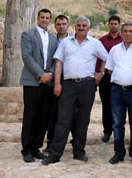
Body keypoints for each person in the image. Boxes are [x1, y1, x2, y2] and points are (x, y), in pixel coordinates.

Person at [43, 16, 107, 164]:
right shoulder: (66, 42)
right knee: (63, 119)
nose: (81, 28)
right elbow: (59, 63)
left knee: (82, 120)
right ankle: (55, 154)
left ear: (88, 28)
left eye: (84, 26)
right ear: (75, 26)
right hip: (69, 85)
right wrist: (57, 83)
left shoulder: (95, 43)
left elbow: (107, 58)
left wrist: (101, 73)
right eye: (79, 25)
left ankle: (79, 152)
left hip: (87, 85)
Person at [19, 8, 58, 162]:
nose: (45, 20)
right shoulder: (28, 35)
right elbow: (27, 57)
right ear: (38, 18)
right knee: (30, 115)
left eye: (47, 18)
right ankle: (27, 149)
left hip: (48, 83)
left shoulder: (53, 39)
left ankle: (36, 147)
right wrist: (41, 74)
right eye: (42, 17)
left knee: (44, 117)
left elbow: (56, 59)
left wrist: (50, 74)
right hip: (32, 82)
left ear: (50, 20)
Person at [106, 23, 132, 166]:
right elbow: (110, 69)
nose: (128, 33)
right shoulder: (115, 49)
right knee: (117, 123)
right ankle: (119, 152)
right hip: (117, 91)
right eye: (125, 31)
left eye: (130, 31)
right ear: (121, 33)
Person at [45, 14, 70, 153]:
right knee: (52, 113)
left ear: (68, 25)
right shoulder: (50, 41)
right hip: (53, 81)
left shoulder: (73, 41)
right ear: (55, 26)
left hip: (70, 81)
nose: (61, 27)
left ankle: (74, 141)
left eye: (64, 24)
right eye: (59, 24)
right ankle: (51, 142)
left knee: (72, 113)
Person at [98, 15, 123, 143]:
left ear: (119, 25)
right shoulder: (102, 40)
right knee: (106, 105)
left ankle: (119, 131)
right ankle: (107, 131)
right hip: (105, 76)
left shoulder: (124, 39)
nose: (113, 25)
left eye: (115, 23)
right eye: (111, 23)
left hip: (120, 76)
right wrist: (98, 74)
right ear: (108, 24)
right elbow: (98, 58)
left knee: (120, 105)